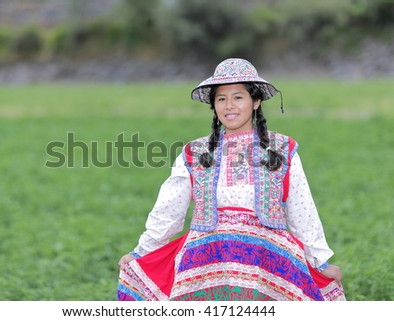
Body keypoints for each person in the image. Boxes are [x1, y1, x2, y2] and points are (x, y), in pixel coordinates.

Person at [117, 58, 345, 301]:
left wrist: (319, 262)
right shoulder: (195, 153)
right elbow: (169, 212)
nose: (229, 106)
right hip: (206, 261)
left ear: (255, 101)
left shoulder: (281, 149)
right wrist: (141, 252)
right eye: (221, 99)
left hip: (266, 259)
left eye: (238, 97)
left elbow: (303, 212)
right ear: (214, 105)